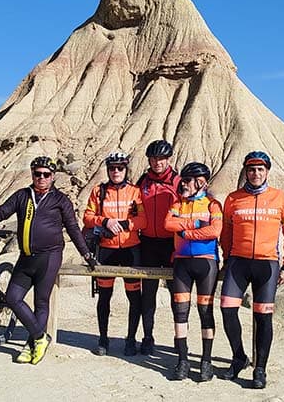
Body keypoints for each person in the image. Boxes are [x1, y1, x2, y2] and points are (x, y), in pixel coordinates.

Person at [0, 156, 97, 365]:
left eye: (46, 174)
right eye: (37, 174)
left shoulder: (60, 200)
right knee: (12, 297)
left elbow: (73, 228)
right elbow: (0, 213)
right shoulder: (23, 195)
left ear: (53, 177)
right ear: (32, 174)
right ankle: (40, 337)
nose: (41, 178)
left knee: (41, 302)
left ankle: (31, 345)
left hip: (49, 257)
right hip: (26, 257)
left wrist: (86, 254)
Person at [219, 151, 284, 389]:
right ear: (246, 171)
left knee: (263, 316)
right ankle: (239, 357)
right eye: (251, 169)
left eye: (260, 169)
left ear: (267, 172)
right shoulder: (233, 199)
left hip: (268, 264)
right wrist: (227, 256)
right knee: (227, 309)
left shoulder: (280, 198)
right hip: (238, 263)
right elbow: (226, 232)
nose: (255, 173)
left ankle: (260, 369)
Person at [82, 151, 147, 356]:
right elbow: (87, 217)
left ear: (126, 169)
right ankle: (103, 339)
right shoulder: (98, 191)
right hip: (107, 251)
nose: (116, 171)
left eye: (120, 168)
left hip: (131, 250)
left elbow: (143, 221)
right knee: (105, 297)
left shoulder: (135, 192)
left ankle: (130, 339)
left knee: (134, 297)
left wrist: (126, 223)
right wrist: (104, 221)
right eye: (112, 168)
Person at [163, 162, 223, 382]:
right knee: (180, 313)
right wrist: (196, 224)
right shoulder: (178, 202)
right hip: (181, 263)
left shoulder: (213, 204)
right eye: (182, 180)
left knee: (205, 312)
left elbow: (215, 230)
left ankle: (206, 361)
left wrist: (187, 233)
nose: (183, 184)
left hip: (206, 262)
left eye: (187, 181)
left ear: (200, 182)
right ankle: (182, 360)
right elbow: (168, 224)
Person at [136, 139, 180, 355]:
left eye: (161, 158)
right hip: (148, 244)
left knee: (176, 294)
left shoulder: (178, 181)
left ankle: (179, 337)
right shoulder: (143, 182)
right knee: (148, 294)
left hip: (171, 243)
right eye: (154, 159)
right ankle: (147, 336)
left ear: (168, 159)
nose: (157, 162)